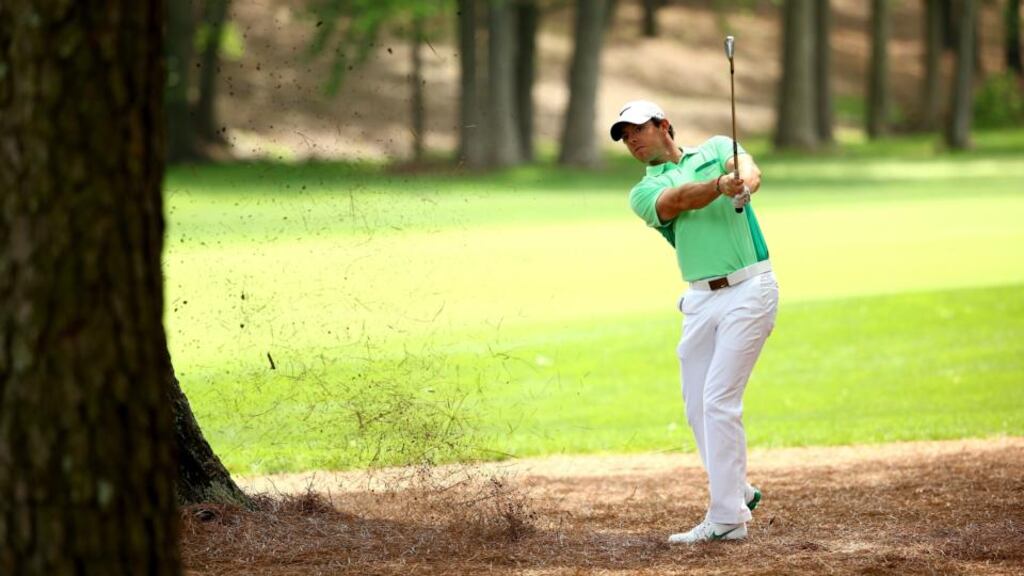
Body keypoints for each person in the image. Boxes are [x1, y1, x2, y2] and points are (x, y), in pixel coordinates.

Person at [611, 100, 779, 544]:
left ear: (664, 125)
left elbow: (747, 165)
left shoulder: (718, 146)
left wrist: (745, 181)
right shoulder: (643, 192)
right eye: (624, 136)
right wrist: (723, 185)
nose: (631, 140)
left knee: (719, 400)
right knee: (696, 406)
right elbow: (680, 199)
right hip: (700, 299)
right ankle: (737, 488)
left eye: (637, 129)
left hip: (750, 289)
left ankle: (728, 518)